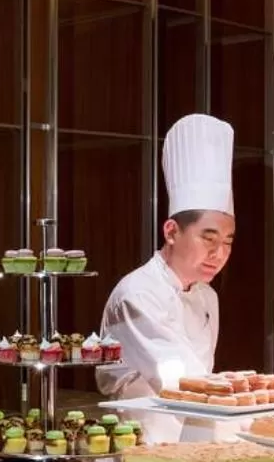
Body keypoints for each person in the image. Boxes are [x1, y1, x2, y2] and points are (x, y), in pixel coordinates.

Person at [97, 114, 236, 398]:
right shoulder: (136, 294)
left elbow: (203, 383)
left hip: (199, 428)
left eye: (227, 242)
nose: (219, 254)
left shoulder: (207, 295)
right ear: (171, 231)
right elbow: (180, 380)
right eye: (208, 238)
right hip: (144, 435)